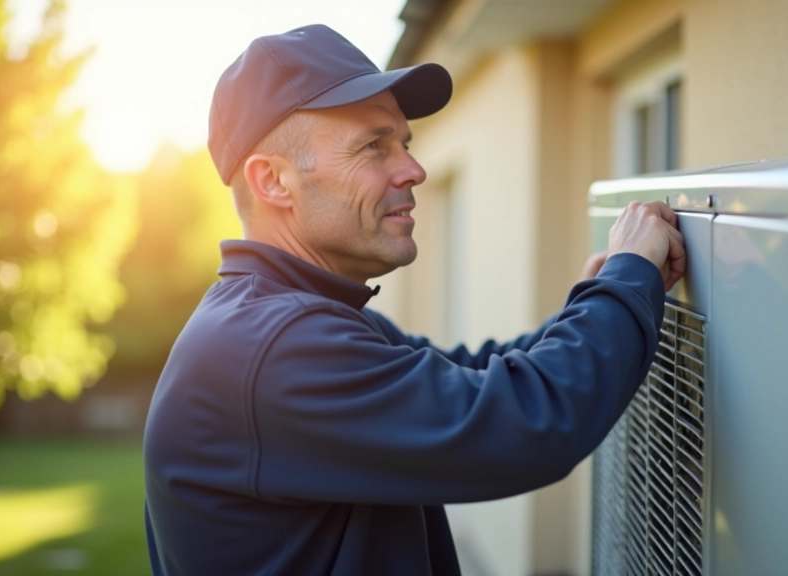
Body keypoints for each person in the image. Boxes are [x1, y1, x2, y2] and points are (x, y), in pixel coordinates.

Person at [143, 24, 685, 576]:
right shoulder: (274, 347)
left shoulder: (294, 321)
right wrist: (625, 283)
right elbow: (528, 423)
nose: (414, 169)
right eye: (373, 146)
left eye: (404, 143)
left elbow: (474, 378)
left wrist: (601, 298)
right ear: (274, 181)